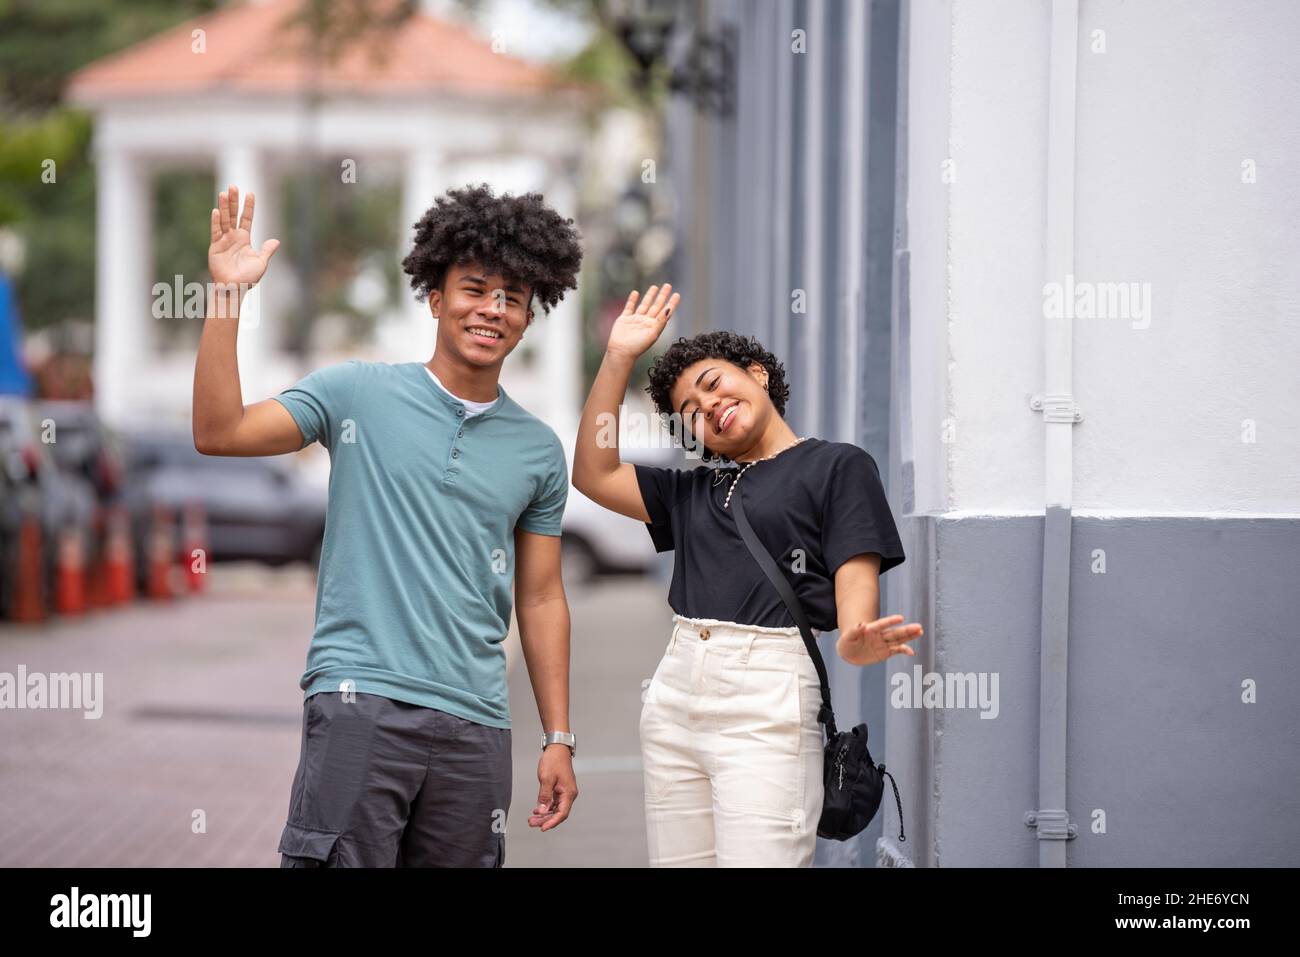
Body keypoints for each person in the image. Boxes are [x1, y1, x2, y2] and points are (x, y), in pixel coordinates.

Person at [192, 182, 584, 867]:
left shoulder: (539, 449)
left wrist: (558, 734)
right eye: (475, 288)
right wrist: (227, 296)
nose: (492, 309)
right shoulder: (356, 394)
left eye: (512, 298)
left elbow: (543, 595)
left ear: (528, 317)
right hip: (358, 702)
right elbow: (219, 431)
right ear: (435, 297)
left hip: (478, 723)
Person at [572, 284, 921, 867]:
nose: (708, 407)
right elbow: (593, 470)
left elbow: (856, 600)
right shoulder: (690, 492)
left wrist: (859, 642)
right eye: (691, 413)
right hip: (675, 695)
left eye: (712, 384)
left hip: (768, 703)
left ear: (756, 373)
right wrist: (619, 357)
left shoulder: (837, 466)